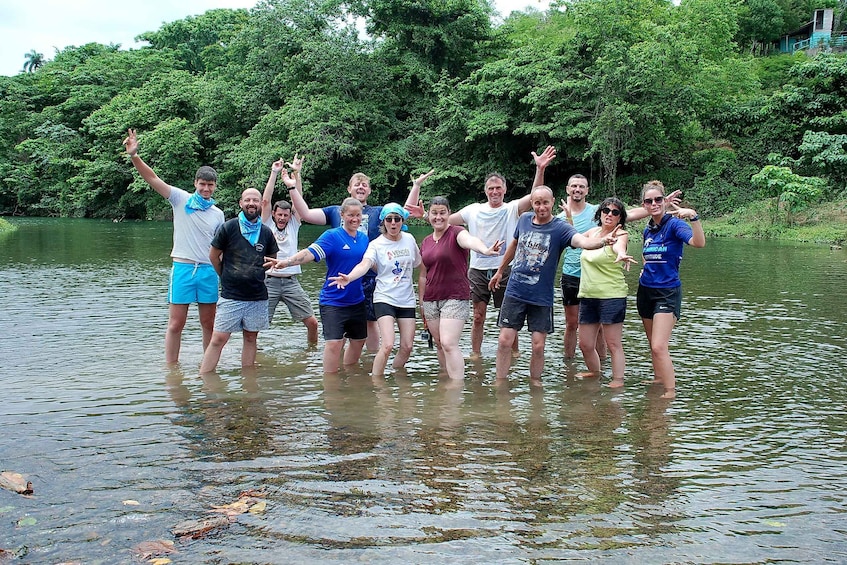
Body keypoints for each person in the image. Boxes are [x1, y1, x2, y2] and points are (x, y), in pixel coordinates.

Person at [288, 170, 428, 352]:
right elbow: (305, 213)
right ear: (349, 189)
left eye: (365, 185)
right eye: (357, 184)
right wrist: (293, 184)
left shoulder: (378, 212)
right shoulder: (335, 212)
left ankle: (370, 361)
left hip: (370, 276)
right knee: (343, 324)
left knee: (370, 322)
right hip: (343, 274)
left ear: (369, 191)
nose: (361, 187)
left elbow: (402, 212)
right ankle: (339, 359)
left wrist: (416, 186)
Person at [489, 186, 616, 385]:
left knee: (538, 346)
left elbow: (582, 241)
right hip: (515, 290)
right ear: (532, 203)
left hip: (541, 296)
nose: (541, 207)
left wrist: (602, 242)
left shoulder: (560, 228)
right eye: (537, 203)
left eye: (545, 202)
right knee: (505, 340)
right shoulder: (523, 220)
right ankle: (500, 381)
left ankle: (535, 382)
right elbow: (513, 245)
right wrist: (499, 271)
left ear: (552, 201)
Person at [122, 128, 225, 364]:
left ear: (215, 186)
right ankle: (172, 368)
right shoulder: (180, 199)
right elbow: (153, 179)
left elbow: (220, 248)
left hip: (208, 271)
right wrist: (135, 156)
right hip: (183, 268)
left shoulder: (218, 214)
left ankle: (207, 365)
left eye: (210, 185)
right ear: (195, 183)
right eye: (202, 184)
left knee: (208, 323)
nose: (206, 189)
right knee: (176, 323)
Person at [270, 198, 369, 373]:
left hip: (356, 300)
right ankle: (330, 387)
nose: (355, 219)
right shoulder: (333, 236)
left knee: (359, 341)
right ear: (342, 215)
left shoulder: (363, 238)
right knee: (334, 343)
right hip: (333, 301)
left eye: (358, 215)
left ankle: (349, 377)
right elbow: (310, 253)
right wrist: (286, 262)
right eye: (350, 215)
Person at [328, 203, 422, 377]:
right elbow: (365, 264)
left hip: (407, 299)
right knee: (387, 345)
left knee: (407, 347)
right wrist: (349, 277)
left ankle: (396, 375)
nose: (393, 223)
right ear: (383, 222)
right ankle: (377, 384)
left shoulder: (409, 239)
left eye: (397, 219)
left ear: (402, 221)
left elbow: (420, 264)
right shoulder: (376, 244)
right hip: (384, 297)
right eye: (389, 219)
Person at [449, 170, 534, 358]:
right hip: (478, 270)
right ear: (485, 190)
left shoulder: (512, 208)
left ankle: (514, 353)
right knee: (478, 317)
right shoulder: (473, 210)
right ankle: (476, 354)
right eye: (491, 188)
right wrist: (424, 215)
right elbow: (444, 221)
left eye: (498, 188)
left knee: (509, 317)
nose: (494, 192)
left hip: (506, 269)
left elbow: (535, 194)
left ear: (504, 189)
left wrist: (540, 169)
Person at [418, 196, 503, 380]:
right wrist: (421, 303)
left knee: (449, 343)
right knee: (440, 344)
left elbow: (470, 241)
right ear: (429, 215)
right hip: (431, 298)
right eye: (434, 213)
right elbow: (423, 275)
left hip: (455, 296)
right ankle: (445, 379)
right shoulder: (425, 242)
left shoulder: (457, 232)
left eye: (442, 213)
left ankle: (456, 387)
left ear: (449, 213)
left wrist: (485, 250)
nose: (438, 217)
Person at [637, 180, 705, 399]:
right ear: (644, 205)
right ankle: (658, 378)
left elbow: (698, 243)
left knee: (659, 345)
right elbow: (647, 255)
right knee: (652, 343)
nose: (654, 203)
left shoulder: (675, 225)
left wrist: (693, 217)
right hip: (646, 290)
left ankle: (669, 392)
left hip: (667, 291)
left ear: (665, 201)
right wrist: (646, 268)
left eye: (658, 199)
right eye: (649, 201)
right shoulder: (648, 229)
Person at [199, 188, 279, 373]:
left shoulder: (266, 232)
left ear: (261, 204)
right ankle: (205, 381)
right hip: (231, 295)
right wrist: (225, 275)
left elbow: (271, 260)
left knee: (251, 338)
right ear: (240, 203)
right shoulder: (228, 227)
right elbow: (213, 256)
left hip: (257, 296)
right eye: (248, 200)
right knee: (218, 339)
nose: (252, 203)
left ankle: (248, 382)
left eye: (256, 200)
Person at [576, 197, 637, 387]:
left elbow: (619, 246)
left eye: (615, 212)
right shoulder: (592, 232)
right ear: (600, 213)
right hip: (588, 295)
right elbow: (573, 238)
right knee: (585, 344)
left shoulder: (621, 234)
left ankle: (618, 380)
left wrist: (620, 253)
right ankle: (595, 372)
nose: (609, 214)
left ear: (620, 218)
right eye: (606, 210)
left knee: (613, 343)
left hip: (612, 295)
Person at [261, 156, 319, 344]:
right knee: (257, 324)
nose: (283, 218)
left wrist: (296, 174)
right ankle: (254, 358)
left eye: (286, 215)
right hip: (269, 281)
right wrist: (274, 173)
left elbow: (299, 202)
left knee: (312, 322)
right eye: (280, 215)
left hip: (291, 281)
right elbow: (265, 200)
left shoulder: (294, 224)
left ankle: (311, 354)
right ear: (274, 214)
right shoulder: (267, 223)